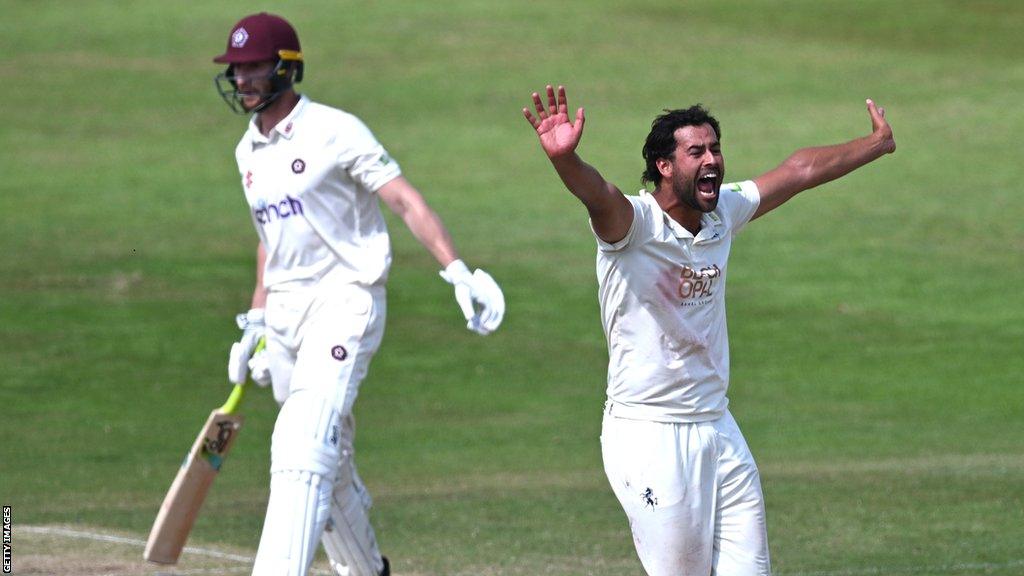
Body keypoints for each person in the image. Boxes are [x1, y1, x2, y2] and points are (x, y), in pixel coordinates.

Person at [523, 85, 895, 575]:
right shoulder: (634, 225)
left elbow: (799, 171)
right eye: (695, 151)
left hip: (718, 426)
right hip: (649, 433)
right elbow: (598, 193)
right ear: (665, 166)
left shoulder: (724, 212)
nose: (712, 160)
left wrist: (877, 143)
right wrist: (565, 160)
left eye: (715, 148)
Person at [212, 13, 505, 576]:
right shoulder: (247, 152)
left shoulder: (334, 129)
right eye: (236, 69)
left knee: (302, 444)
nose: (242, 79)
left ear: (285, 68)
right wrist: (256, 320)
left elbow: (404, 200)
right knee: (331, 461)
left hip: (346, 300)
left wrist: (457, 271)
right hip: (287, 315)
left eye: (252, 67)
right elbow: (270, 240)